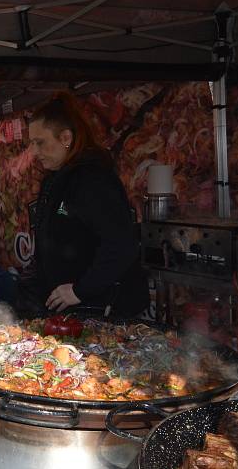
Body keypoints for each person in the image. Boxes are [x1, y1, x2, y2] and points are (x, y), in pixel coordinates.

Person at [25, 93, 148, 317]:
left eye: (40, 142)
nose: (35, 151)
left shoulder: (93, 180)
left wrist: (80, 290)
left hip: (101, 309)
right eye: (32, 143)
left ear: (65, 138)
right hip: (68, 311)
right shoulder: (55, 178)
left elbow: (121, 246)